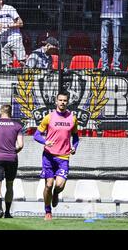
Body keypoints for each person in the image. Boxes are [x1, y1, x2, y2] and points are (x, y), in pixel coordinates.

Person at [33, 91, 79, 221]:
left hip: (63, 157)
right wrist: (45, 141)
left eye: (65, 100)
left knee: (59, 185)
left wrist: (75, 147)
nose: (62, 102)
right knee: (49, 184)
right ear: (56, 101)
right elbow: (36, 135)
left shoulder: (73, 118)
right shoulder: (49, 117)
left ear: (67, 102)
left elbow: (76, 137)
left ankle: (56, 194)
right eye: (60, 100)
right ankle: (47, 211)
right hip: (48, 156)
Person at [0, 104, 24, 218]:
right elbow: (21, 145)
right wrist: (12, 152)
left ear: (0, 112)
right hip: (12, 158)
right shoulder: (17, 126)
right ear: (10, 113)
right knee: (9, 185)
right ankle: (7, 212)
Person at [96, 0, 126, 71]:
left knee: (116, 43)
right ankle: (105, 65)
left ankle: (116, 65)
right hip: (105, 15)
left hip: (116, 15)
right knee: (104, 42)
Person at [0, 0, 25, 68]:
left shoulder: (9, 8)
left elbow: (21, 23)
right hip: (3, 40)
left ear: (1, 0)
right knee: (7, 64)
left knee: (21, 61)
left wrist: (6, 25)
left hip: (15, 38)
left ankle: (25, 77)